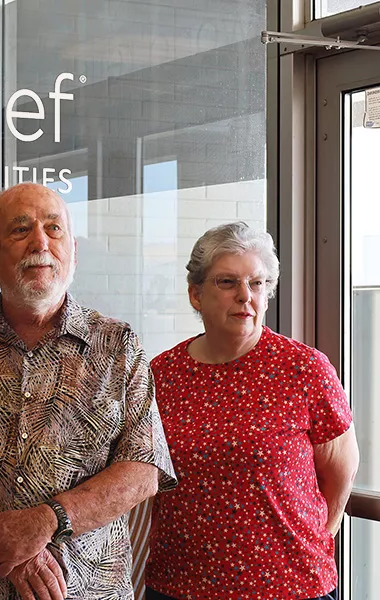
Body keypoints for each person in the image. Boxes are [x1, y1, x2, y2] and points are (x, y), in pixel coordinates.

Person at [0, 182, 177, 600]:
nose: (40, 241)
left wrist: (46, 522)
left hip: (84, 590)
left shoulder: (118, 344)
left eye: (54, 229)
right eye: (20, 229)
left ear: (73, 250)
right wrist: (6, 546)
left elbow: (143, 469)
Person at [145, 222, 360, 600]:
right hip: (179, 585)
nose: (245, 296)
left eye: (257, 283)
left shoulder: (304, 368)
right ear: (196, 294)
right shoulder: (162, 374)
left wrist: (315, 537)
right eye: (227, 283)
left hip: (289, 585)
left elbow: (341, 470)